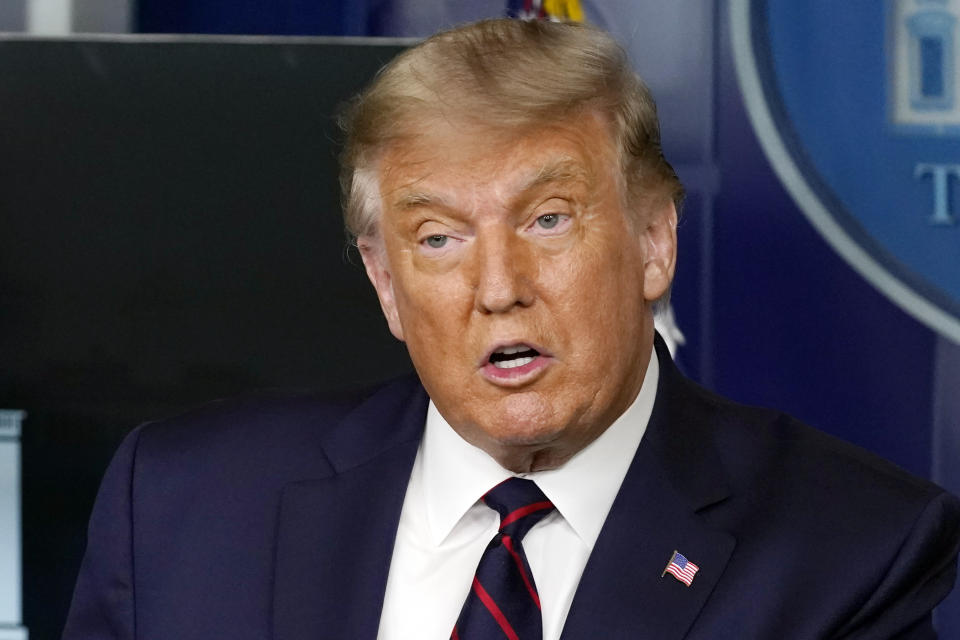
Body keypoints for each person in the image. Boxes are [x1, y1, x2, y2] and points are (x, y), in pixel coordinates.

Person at [63, 18, 960, 640]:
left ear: (654, 242)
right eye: (439, 238)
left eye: (547, 220)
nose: (498, 289)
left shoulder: (848, 551)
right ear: (384, 283)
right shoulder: (182, 510)